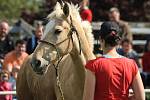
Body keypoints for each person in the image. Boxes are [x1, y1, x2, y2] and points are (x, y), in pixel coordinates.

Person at [83, 21, 145, 100]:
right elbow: (141, 98)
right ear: (118, 41)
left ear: (101, 40)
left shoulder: (93, 65)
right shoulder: (131, 64)